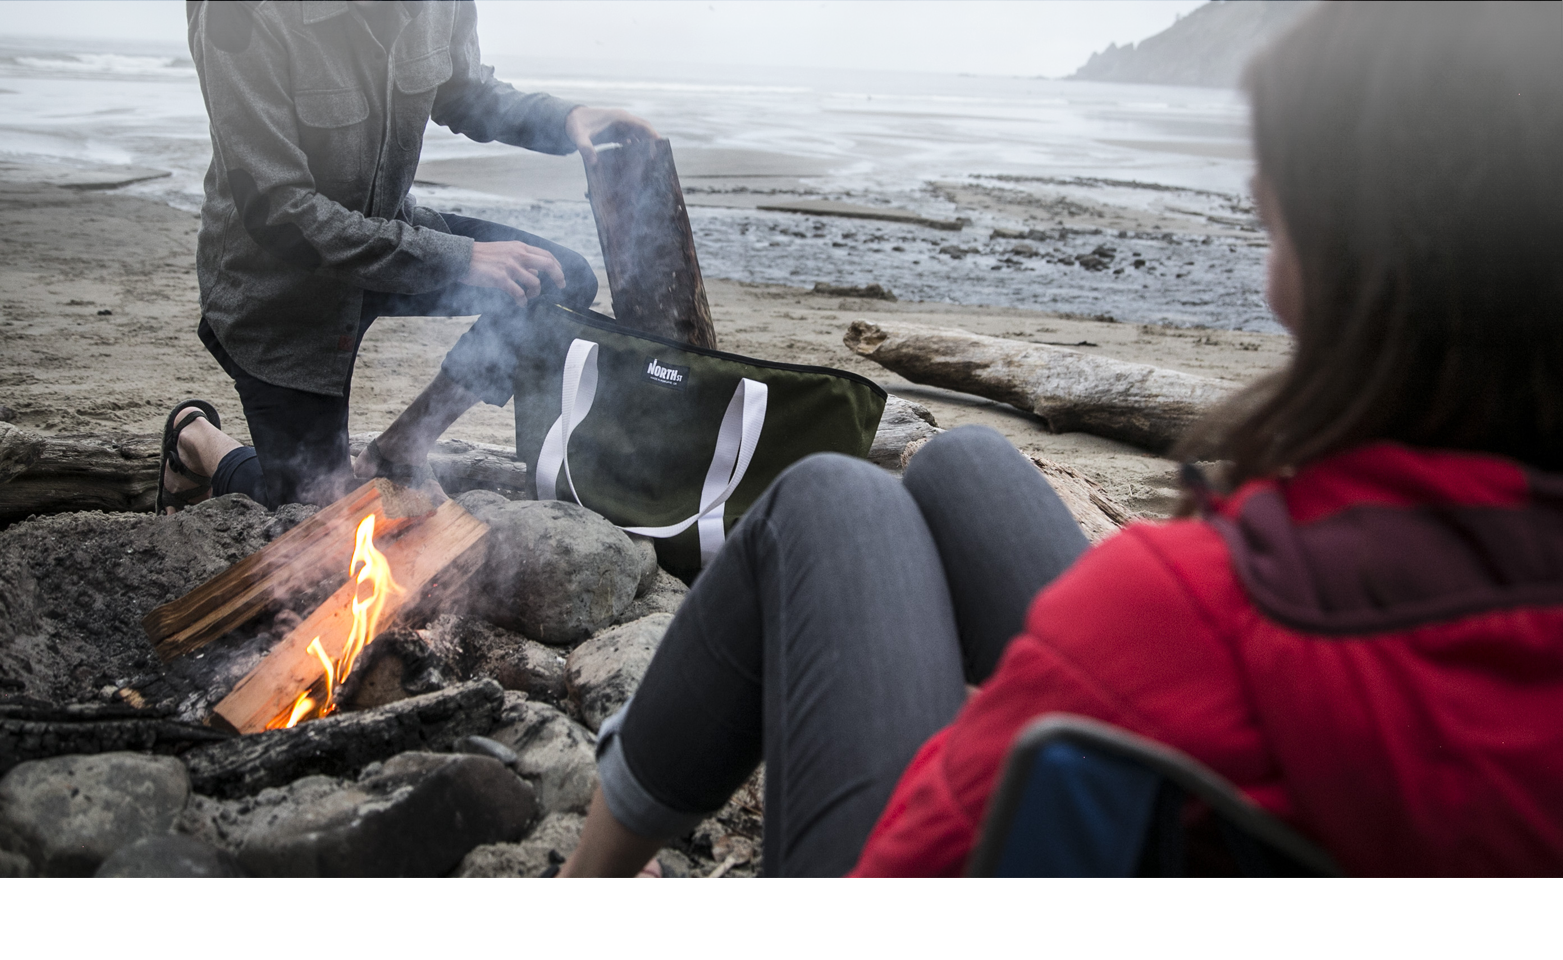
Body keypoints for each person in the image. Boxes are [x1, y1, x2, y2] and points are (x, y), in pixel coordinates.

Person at [558, 0, 1563, 877]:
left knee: (834, 500)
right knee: (965, 461)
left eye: (1282, 197)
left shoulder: (1198, 617)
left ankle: (582, 896)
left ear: (1341, 263)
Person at [158, 0, 658, 511]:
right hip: (279, 288)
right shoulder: (239, 12)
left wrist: (565, 118)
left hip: (387, 237)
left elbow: (463, 92)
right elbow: (278, 211)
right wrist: (459, 258)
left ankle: (401, 450)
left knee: (557, 281)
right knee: (320, 521)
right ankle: (196, 441)